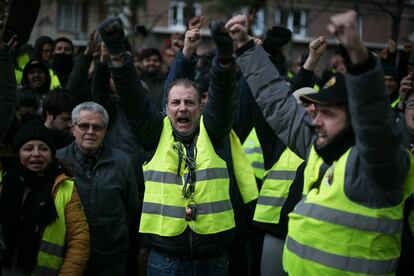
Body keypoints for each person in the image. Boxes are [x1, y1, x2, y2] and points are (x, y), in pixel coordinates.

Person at [227, 10, 414, 275]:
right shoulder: (319, 145)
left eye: (328, 113)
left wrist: (360, 60)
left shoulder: (378, 164)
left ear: (355, 118)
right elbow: (277, 101)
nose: (315, 119)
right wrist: (245, 46)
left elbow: (378, 126)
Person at [97, 15, 237, 275]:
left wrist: (225, 58)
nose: (182, 107)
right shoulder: (154, 133)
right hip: (166, 259)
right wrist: (118, 55)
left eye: (189, 102)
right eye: (175, 103)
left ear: (200, 107)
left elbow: (224, 97)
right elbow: (133, 100)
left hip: (214, 259)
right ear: (166, 107)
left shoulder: (213, 130)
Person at [57, 102, 140, 276]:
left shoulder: (122, 162)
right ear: (73, 129)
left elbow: (131, 207)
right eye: (84, 126)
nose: (90, 132)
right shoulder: (57, 160)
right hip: (67, 255)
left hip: (111, 257)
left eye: (97, 127)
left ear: (105, 131)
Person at [0, 119, 89, 275]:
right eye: (28, 148)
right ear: (18, 153)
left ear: (51, 154)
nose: (36, 154)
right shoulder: (3, 180)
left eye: (43, 148)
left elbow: (79, 241)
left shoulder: (65, 187)